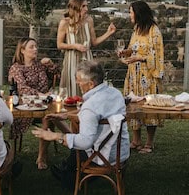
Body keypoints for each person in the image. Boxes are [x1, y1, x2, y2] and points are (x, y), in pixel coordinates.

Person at [33, 59, 129, 187]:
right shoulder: (115, 93)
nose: (77, 83)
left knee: (77, 146)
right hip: (120, 152)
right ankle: (66, 171)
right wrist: (68, 115)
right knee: (76, 146)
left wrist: (55, 136)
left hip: (104, 157)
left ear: (90, 84)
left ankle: (70, 179)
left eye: (79, 80)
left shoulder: (90, 106)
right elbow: (101, 113)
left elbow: (85, 142)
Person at [122, 0, 164, 153]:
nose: (129, 15)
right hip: (134, 75)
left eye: (131, 12)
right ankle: (136, 140)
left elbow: (157, 55)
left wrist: (139, 58)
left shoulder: (154, 31)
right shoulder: (136, 29)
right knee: (133, 107)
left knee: (148, 108)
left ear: (138, 13)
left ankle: (149, 142)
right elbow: (133, 49)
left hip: (148, 77)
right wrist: (125, 53)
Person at [7, 37, 55, 169]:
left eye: (36, 46)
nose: (36, 49)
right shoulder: (16, 68)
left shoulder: (40, 66)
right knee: (49, 115)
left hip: (44, 105)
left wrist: (51, 65)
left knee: (48, 116)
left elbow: (56, 76)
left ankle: (41, 157)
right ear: (22, 50)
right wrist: (41, 95)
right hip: (25, 105)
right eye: (32, 47)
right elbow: (21, 87)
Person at [57, 0, 116, 97]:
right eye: (83, 6)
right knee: (71, 91)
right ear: (76, 7)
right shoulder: (64, 23)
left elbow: (94, 42)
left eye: (86, 6)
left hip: (87, 61)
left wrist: (108, 33)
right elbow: (59, 44)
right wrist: (74, 46)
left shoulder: (89, 21)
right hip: (71, 62)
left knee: (90, 89)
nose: (86, 9)